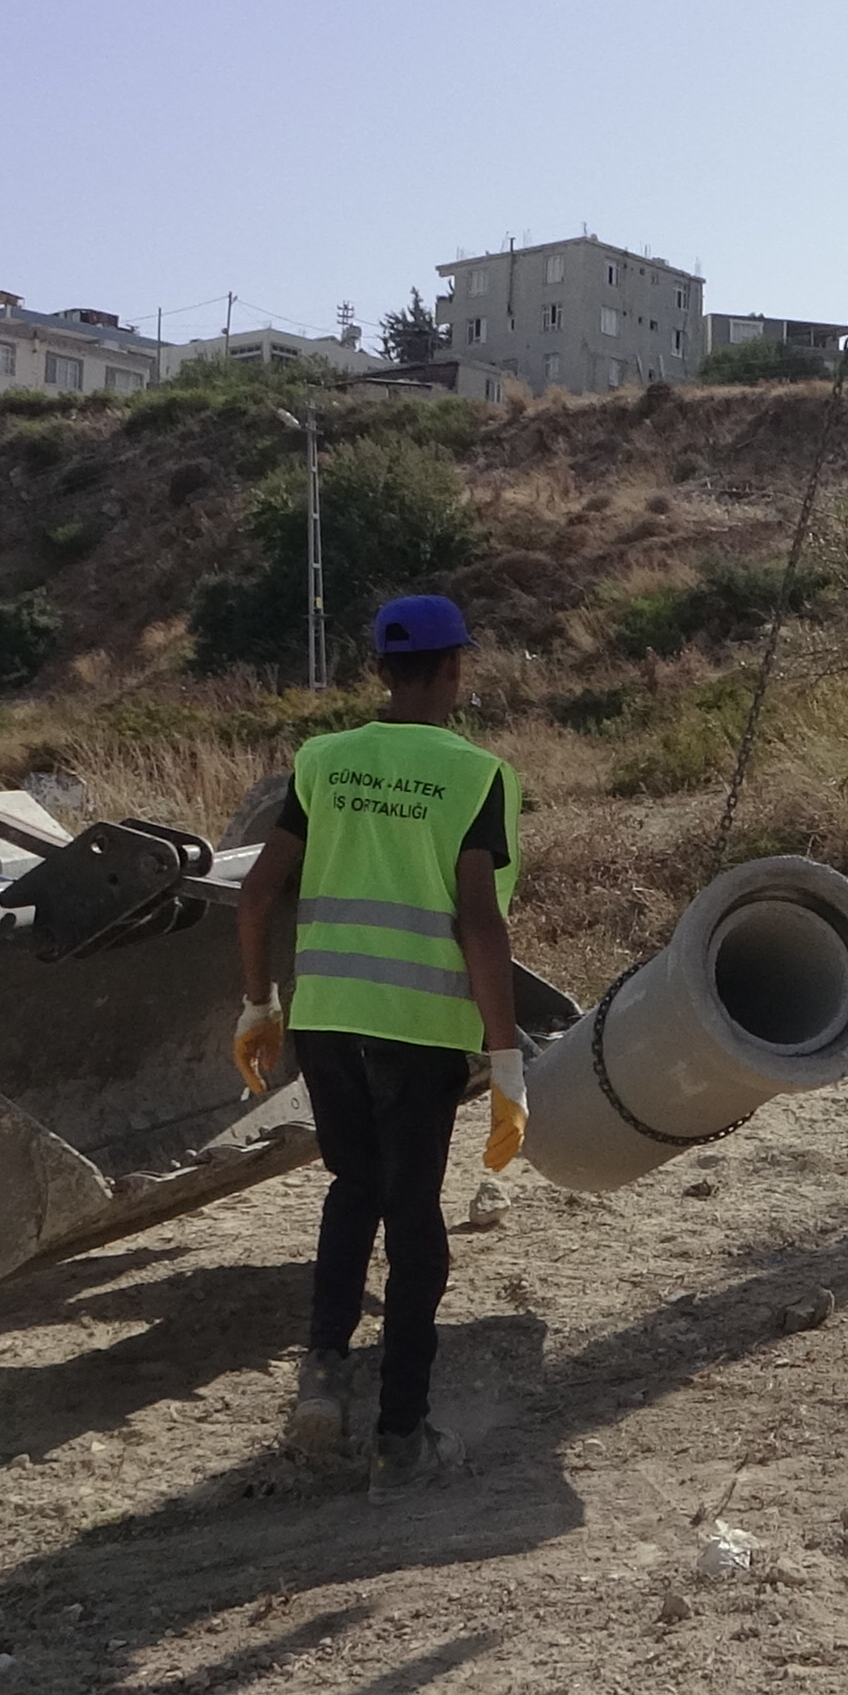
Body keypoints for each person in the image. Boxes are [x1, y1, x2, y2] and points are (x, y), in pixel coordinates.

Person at [231, 594, 528, 1488]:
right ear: (453, 668)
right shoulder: (479, 777)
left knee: (350, 1189)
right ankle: (402, 1433)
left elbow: (253, 896)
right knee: (413, 1214)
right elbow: (481, 926)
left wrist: (257, 1005)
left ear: (382, 671)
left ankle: (322, 1379)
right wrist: (507, 1057)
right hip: (418, 1033)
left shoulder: (323, 761)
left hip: (324, 1023)